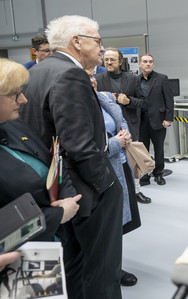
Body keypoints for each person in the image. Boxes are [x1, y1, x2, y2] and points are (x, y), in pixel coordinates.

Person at [20, 15, 124, 299]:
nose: (102, 49)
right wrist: (107, 184)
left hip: (54, 187)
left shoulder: (37, 71)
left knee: (72, 266)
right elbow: (79, 144)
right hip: (85, 189)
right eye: (98, 42)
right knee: (102, 270)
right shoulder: (71, 74)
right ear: (77, 42)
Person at [0, 58, 81, 241]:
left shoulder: (14, 124)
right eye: (15, 94)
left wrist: (67, 197)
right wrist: (56, 216)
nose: (23, 99)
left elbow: (53, 161)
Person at [88, 70, 141, 286]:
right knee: (105, 226)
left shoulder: (104, 98)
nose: (92, 80)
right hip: (103, 171)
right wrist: (117, 143)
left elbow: (120, 122)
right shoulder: (80, 109)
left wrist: (125, 135)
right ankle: (110, 272)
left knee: (117, 224)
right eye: (85, 75)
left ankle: (113, 267)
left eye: (92, 76)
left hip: (120, 165)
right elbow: (88, 149)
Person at [96, 48, 151, 204]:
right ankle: (117, 193)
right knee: (112, 161)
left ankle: (137, 191)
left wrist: (129, 101)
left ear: (120, 61)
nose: (109, 62)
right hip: (108, 129)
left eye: (112, 59)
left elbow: (145, 103)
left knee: (132, 160)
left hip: (130, 126)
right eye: (106, 59)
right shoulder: (98, 79)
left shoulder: (133, 79)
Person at [138, 53, 174, 186]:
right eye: (145, 61)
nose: (148, 64)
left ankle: (158, 174)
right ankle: (144, 175)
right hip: (142, 121)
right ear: (140, 64)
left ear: (153, 64)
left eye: (150, 62)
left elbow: (169, 100)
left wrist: (168, 118)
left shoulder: (161, 78)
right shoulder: (136, 80)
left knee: (159, 149)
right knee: (143, 150)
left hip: (159, 119)